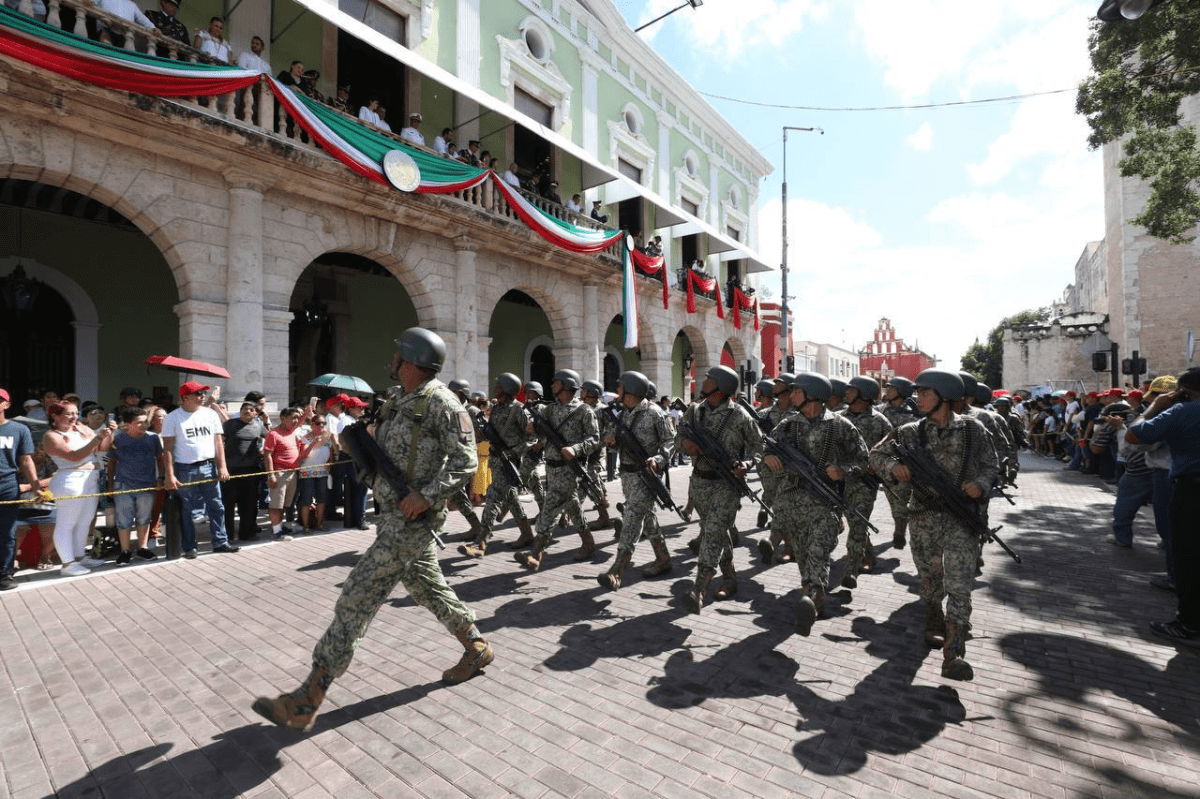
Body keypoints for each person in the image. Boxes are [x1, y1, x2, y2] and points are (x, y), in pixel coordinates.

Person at [252, 328, 491, 732]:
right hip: (392, 512)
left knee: (357, 596)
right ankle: (476, 647)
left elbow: (465, 460)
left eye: (399, 353)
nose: (393, 358)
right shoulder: (397, 399)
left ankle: (308, 696)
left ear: (411, 360)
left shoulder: (444, 404)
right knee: (427, 587)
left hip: (413, 519)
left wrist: (428, 496)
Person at [869, 369, 998, 680]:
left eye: (926, 393)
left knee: (959, 584)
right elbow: (874, 455)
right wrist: (893, 466)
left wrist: (980, 484)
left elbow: (991, 464)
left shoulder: (973, 430)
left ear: (944, 397)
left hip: (961, 517)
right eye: (918, 393)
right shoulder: (911, 431)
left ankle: (953, 653)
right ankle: (933, 615)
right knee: (930, 578)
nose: (919, 399)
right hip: (924, 516)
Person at [765, 373, 868, 635]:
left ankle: (813, 600)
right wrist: (768, 457)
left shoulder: (841, 425)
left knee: (818, 553)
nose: (792, 395)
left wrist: (844, 470)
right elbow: (765, 447)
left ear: (812, 395)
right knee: (802, 557)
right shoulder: (789, 425)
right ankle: (809, 594)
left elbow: (865, 460)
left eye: (797, 391)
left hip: (825, 504)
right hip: (793, 505)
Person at [676, 366, 762, 612]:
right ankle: (729, 577)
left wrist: (746, 464)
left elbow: (758, 446)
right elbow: (677, 435)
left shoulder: (739, 416)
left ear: (721, 387)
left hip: (727, 484)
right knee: (717, 531)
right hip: (700, 483)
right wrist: (685, 443)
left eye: (710, 379)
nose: (705, 381)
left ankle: (698, 589)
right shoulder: (695, 411)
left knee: (712, 533)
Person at [1126, 367, 1200, 646]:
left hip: (1193, 491)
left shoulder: (1182, 411)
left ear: (1185, 392)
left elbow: (1135, 435)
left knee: (1189, 558)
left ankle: (1188, 624)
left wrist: (1155, 406)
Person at [596, 371, 675, 590]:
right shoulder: (623, 413)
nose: (617, 391)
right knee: (647, 519)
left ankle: (617, 571)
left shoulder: (655, 413)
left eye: (620, 388)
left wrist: (658, 459)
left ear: (630, 391)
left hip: (646, 476)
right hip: (627, 476)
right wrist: (609, 440)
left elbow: (670, 441)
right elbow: (610, 436)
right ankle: (663, 558)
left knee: (631, 519)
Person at [516, 370, 600, 569]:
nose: (552, 386)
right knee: (572, 506)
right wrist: (532, 427)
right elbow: (536, 428)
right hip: (551, 468)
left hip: (569, 469)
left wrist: (575, 448)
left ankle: (536, 552)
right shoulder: (550, 409)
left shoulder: (583, 411)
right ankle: (588, 542)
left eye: (556, 383)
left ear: (566, 386)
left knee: (550, 509)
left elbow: (594, 439)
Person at [161, 381, 239, 558]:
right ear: (184, 398)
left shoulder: (211, 414)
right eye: (197, 394)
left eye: (203, 393)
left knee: (217, 506)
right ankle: (189, 546)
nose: (202, 396)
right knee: (186, 510)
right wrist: (170, 475)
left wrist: (222, 466)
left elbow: (218, 442)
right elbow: (168, 449)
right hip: (184, 469)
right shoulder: (172, 418)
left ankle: (221, 541)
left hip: (208, 466)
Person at [460, 374, 532, 558]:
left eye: (499, 385)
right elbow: (492, 432)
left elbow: (532, 438)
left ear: (507, 388)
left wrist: (514, 452)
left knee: (492, 498)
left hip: (509, 462)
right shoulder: (497, 409)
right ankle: (527, 534)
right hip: (496, 460)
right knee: (512, 500)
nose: (495, 387)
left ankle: (481, 542)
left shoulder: (519, 410)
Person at [42, 401, 115, 576]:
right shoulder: (51, 436)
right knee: (66, 523)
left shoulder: (82, 429)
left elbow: (101, 448)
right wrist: (98, 437)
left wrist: (109, 434)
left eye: (76, 413)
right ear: (55, 416)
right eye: (69, 414)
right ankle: (67, 564)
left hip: (91, 478)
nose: (74, 417)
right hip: (69, 480)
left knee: (84, 521)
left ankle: (79, 557)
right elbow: (74, 456)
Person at [838, 375, 893, 587]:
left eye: (851, 390)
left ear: (863, 394)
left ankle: (851, 569)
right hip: (838, 479)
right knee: (854, 521)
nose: (846, 393)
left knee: (858, 524)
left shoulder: (880, 421)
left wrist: (879, 467)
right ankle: (868, 553)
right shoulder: (836, 418)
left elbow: (893, 452)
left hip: (863, 483)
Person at [105, 406, 164, 564]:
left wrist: (161, 478)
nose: (144, 425)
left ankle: (143, 548)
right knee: (123, 521)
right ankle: (125, 551)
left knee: (144, 519)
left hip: (147, 485)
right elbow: (111, 463)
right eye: (139, 423)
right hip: (123, 485)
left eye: (145, 422)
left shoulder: (153, 438)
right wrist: (110, 485)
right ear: (128, 424)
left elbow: (160, 458)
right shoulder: (118, 439)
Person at [0, 388, 40, 590]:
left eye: (0, 400)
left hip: (7, 485)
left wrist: (35, 486)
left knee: (7, 532)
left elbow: (26, 461)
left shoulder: (19, 429)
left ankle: (5, 573)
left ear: (6, 404)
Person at [223, 401, 265, 541]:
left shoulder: (259, 425)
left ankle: (246, 533)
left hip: (251, 471)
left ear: (255, 413)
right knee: (227, 506)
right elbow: (219, 441)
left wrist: (264, 450)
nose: (248, 411)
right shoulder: (229, 424)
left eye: (251, 410)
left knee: (249, 505)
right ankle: (227, 535)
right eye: (245, 409)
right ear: (240, 412)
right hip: (230, 471)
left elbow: (271, 438)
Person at [263, 407, 306, 540]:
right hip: (279, 473)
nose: (296, 421)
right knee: (276, 503)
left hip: (292, 473)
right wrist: (271, 475)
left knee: (284, 503)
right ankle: (276, 532)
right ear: (283, 418)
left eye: (298, 418)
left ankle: (280, 527)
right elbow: (267, 455)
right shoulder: (273, 434)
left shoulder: (292, 432)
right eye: (293, 418)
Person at [296, 415, 334, 532]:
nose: (321, 425)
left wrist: (329, 466)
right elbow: (303, 455)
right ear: (312, 425)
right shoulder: (304, 438)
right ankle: (306, 526)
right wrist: (312, 443)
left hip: (322, 473)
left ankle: (319, 524)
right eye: (318, 423)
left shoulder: (326, 437)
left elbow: (330, 454)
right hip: (307, 473)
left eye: (324, 423)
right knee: (306, 500)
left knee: (322, 499)